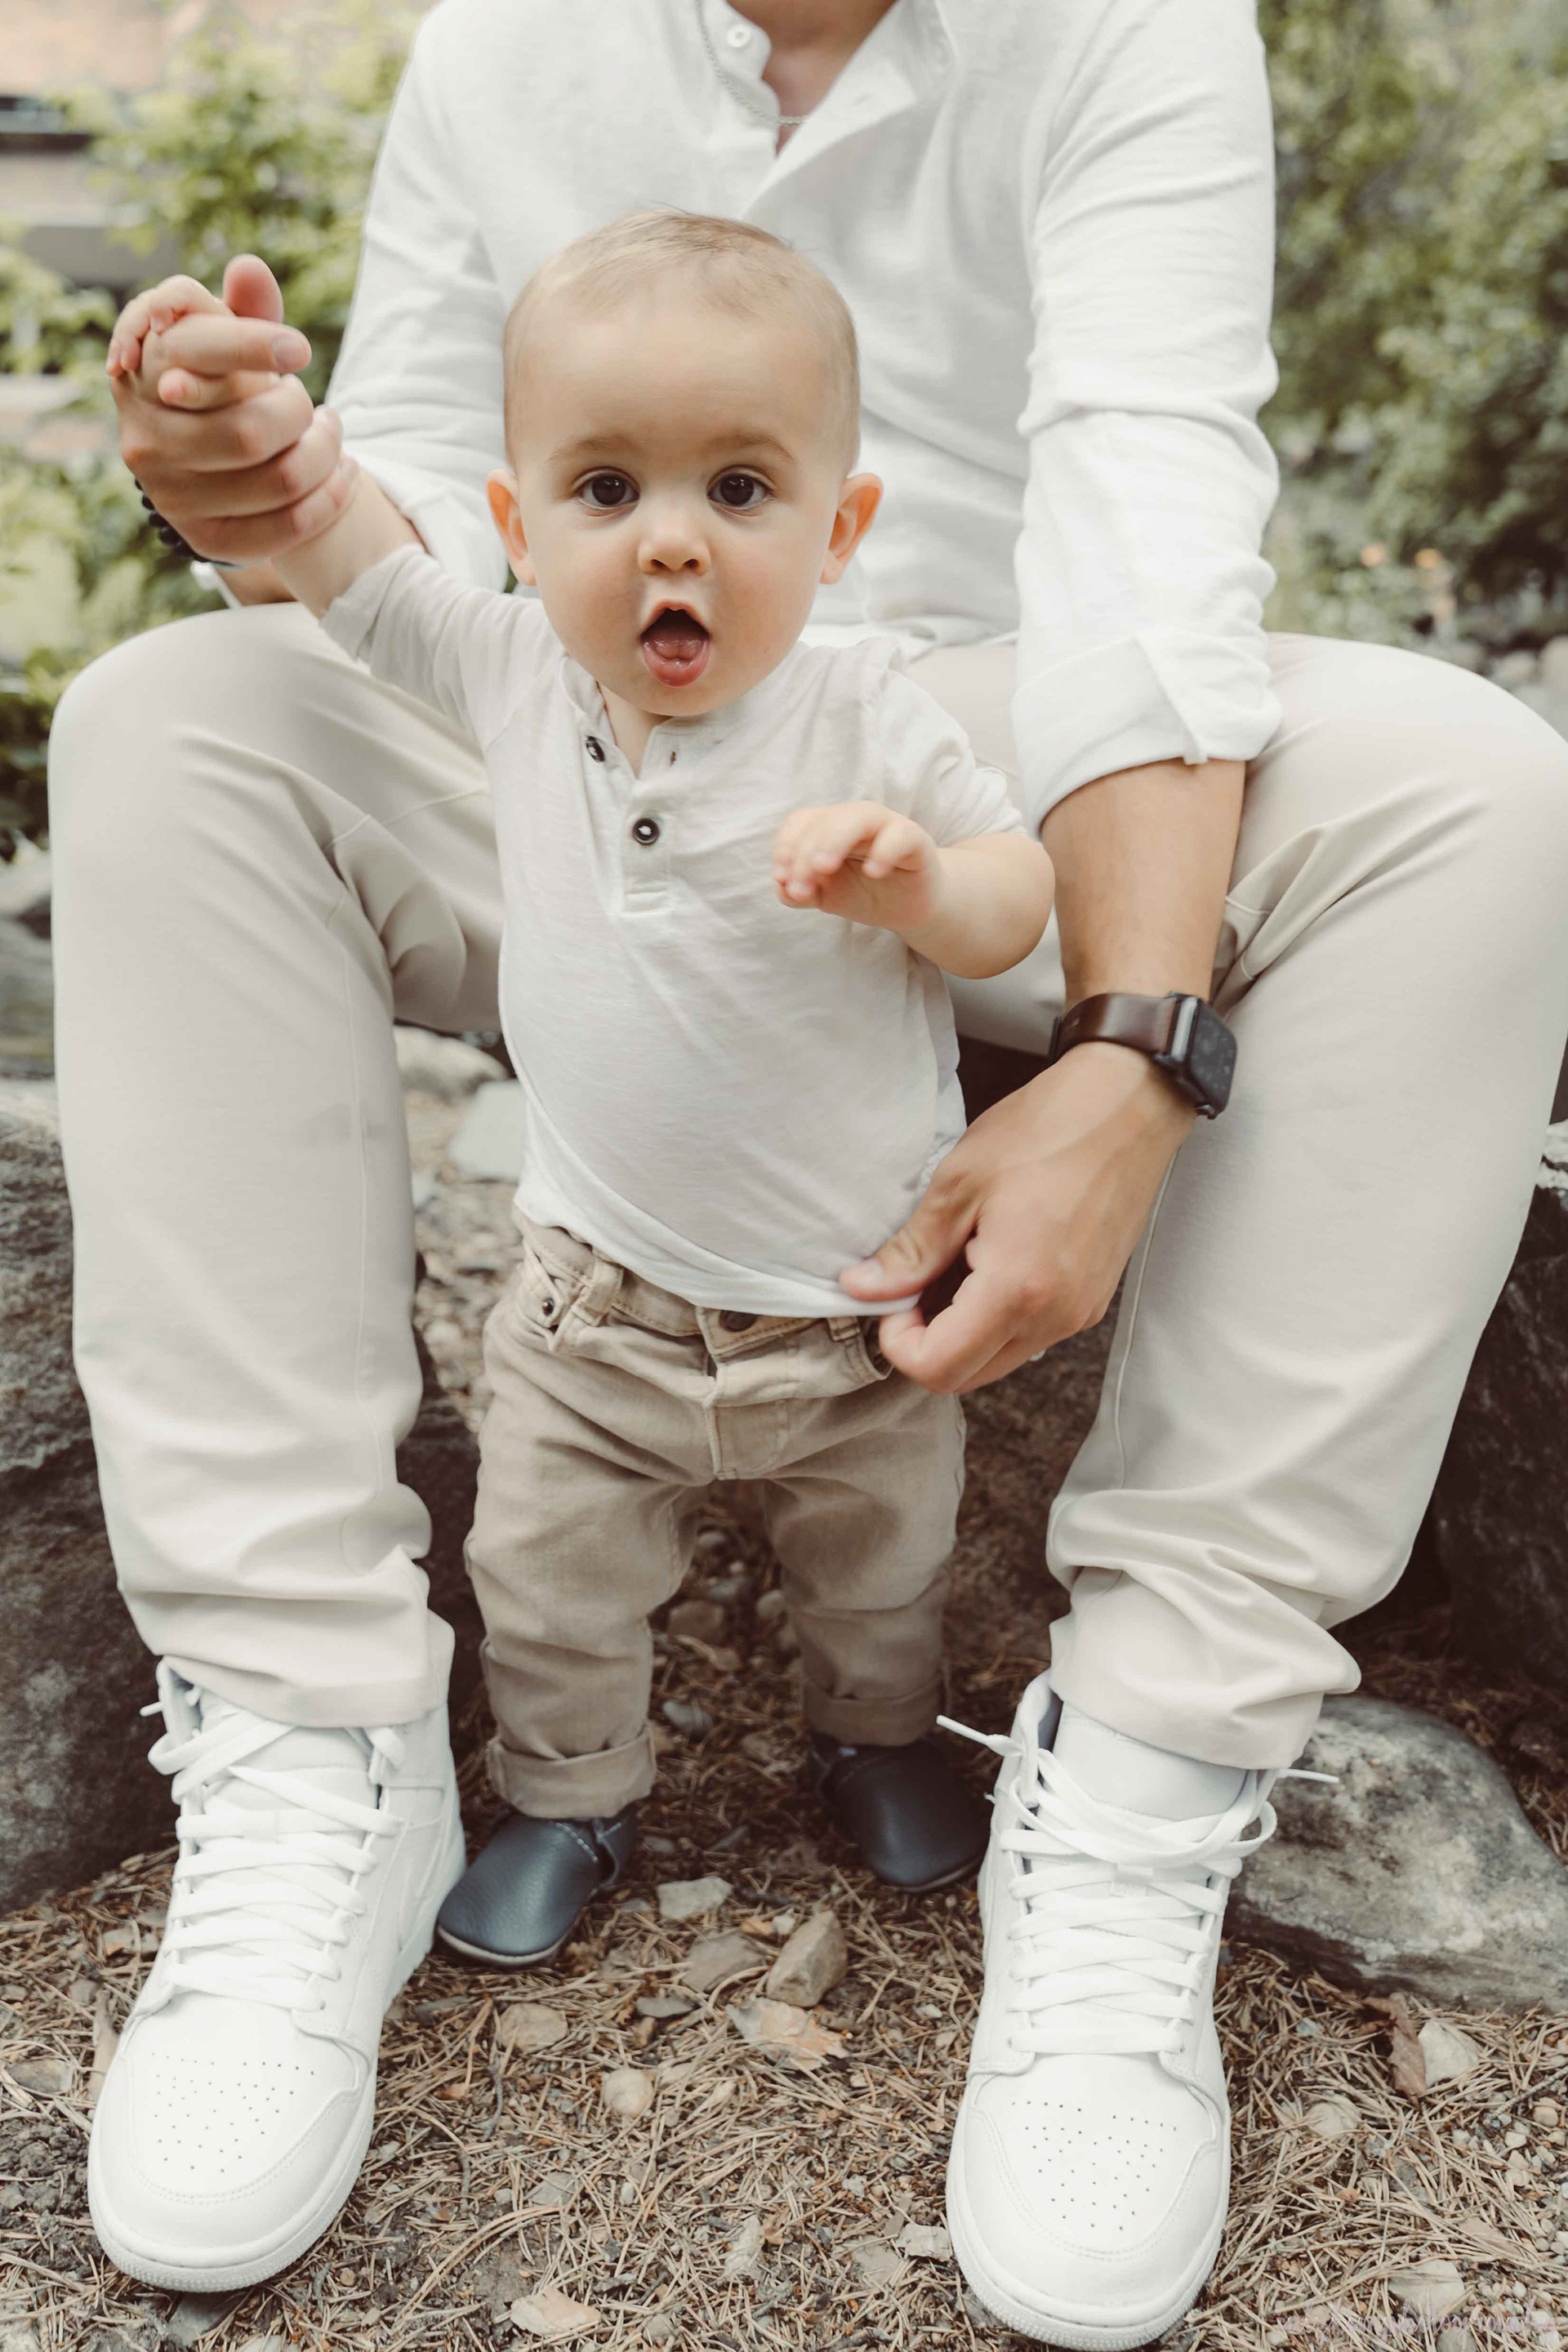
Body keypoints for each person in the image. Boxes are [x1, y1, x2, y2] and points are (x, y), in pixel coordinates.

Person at [51, 0, 1568, 2338]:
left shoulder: (1126, 28)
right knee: (169, 718)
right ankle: (309, 1736)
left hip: (994, 760)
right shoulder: (500, 49)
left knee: (1478, 793)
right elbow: (401, 554)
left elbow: (1150, 534)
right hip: (579, 759)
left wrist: (1130, 1050)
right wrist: (246, 470)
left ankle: (1148, 1772)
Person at [268, 208, 1054, 1965]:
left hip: (848, 1323)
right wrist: (267, 439)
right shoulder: (514, 672)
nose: (671, 541)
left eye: (741, 490)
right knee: (549, 1575)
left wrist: (921, 885)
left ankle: (875, 1737)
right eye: (607, 489)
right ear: (518, 525)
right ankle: (572, 1795)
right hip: (594, 1310)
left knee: (882, 1563)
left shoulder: (866, 712)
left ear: (840, 528)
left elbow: (1021, 896)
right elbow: (357, 573)